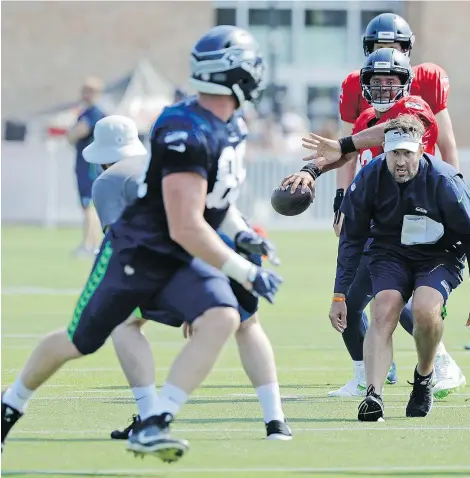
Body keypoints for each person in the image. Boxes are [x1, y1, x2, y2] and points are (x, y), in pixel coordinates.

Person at [1, 25, 283, 462]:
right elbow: (186, 224)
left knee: (223, 317)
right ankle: (10, 403)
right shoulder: (184, 129)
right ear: (231, 73)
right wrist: (246, 271)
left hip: (178, 257)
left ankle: (155, 422)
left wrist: (243, 232)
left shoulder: (232, 126)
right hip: (137, 253)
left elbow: (215, 200)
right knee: (78, 341)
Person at [84, 115, 290, 441]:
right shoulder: (172, 159)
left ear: (103, 155)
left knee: (124, 322)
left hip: (192, 249)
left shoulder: (108, 181)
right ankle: (276, 421)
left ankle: (149, 415)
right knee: (249, 326)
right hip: (234, 241)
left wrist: (196, 299)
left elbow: (121, 243)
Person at [282, 48, 465, 399]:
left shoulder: (416, 109)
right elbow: (347, 153)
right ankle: (366, 376)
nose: (383, 87)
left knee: (399, 304)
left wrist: (343, 141)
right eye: (376, 81)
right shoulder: (365, 118)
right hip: (376, 227)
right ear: (364, 84)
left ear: (405, 83)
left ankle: (440, 364)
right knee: (351, 307)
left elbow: (390, 132)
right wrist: (311, 171)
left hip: (412, 227)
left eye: (390, 80)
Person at [330, 114, 470, 421]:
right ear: (385, 152)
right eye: (394, 153)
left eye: (407, 153)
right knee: (384, 308)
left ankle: (424, 376)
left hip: (439, 254)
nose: (400, 161)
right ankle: (373, 396)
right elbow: (351, 241)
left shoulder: (445, 182)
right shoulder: (368, 179)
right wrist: (339, 294)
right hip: (389, 252)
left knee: (425, 310)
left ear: (420, 151)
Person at [334, 12, 461, 395]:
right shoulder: (362, 101)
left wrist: (454, 196)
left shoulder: (421, 94)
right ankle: (373, 371)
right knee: (361, 298)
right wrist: (338, 197)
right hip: (378, 207)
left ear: (408, 51)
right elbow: (350, 153)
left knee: (387, 296)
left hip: (418, 206)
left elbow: (413, 129)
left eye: (395, 48)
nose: (385, 57)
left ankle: (436, 360)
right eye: (377, 48)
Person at [67, 77, 106, 258]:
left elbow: (78, 132)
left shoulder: (92, 113)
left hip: (89, 168)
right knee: (90, 207)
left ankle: (89, 245)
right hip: (86, 166)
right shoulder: (91, 112)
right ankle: (93, 244)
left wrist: (70, 134)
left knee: (88, 206)